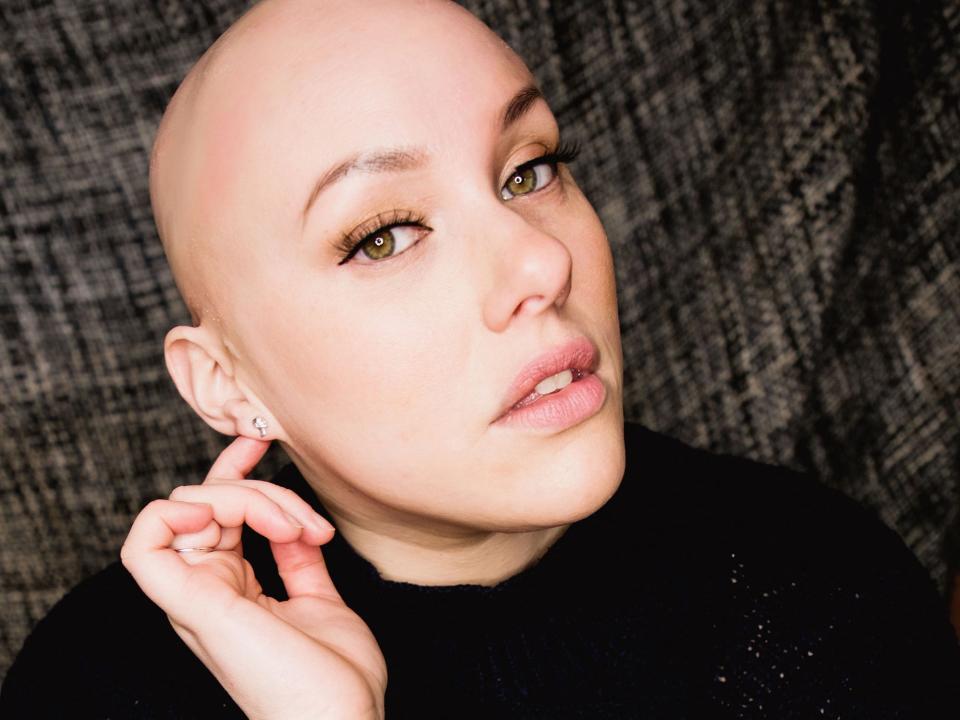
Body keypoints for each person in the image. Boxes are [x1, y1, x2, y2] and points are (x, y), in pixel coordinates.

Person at [2, 0, 959, 717]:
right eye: (384, 235)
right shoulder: (91, 688)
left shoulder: (815, 590)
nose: (545, 262)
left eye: (529, 171)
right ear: (229, 383)